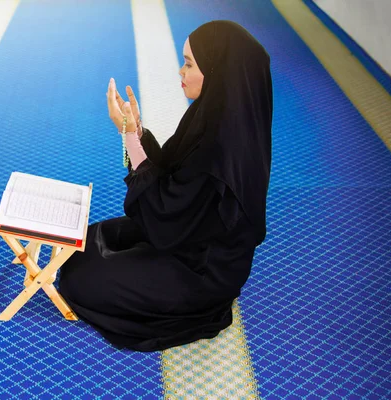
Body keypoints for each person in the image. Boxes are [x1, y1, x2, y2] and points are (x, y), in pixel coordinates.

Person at [58, 20, 272, 352]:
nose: (180, 71)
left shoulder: (225, 149)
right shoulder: (214, 117)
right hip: (183, 235)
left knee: (79, 278)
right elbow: (172, 176)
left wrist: (128, 137)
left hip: (200, 272)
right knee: (84, 243)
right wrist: (138, 132)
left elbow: (165, 209)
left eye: (189, 63)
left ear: (216, 70)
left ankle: (187, 304)